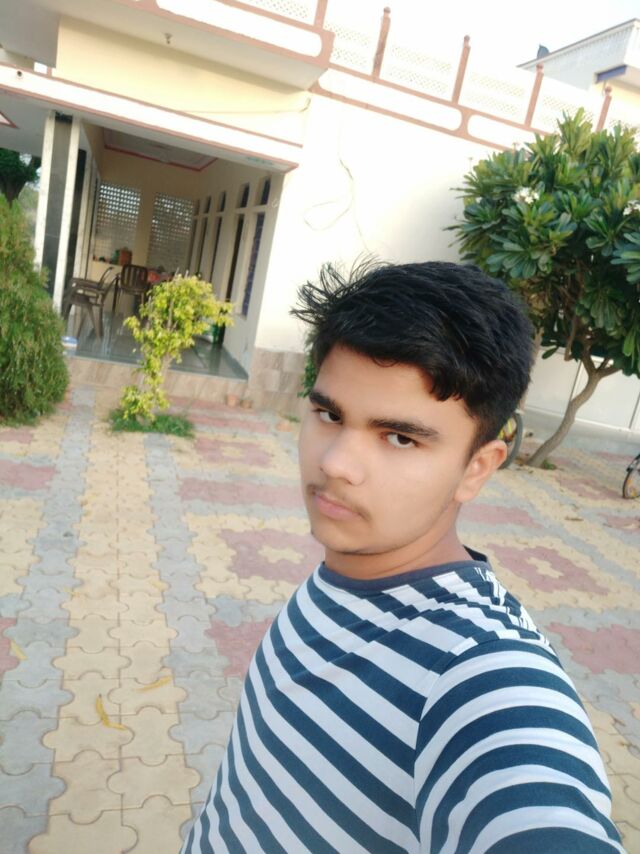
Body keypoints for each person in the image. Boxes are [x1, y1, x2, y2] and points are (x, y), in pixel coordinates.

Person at [183, 261, 623, 853]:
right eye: (329, 415)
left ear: (477, 468)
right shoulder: (348, 573)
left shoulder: (479, 672)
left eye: (399, 437)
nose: (335, 463)